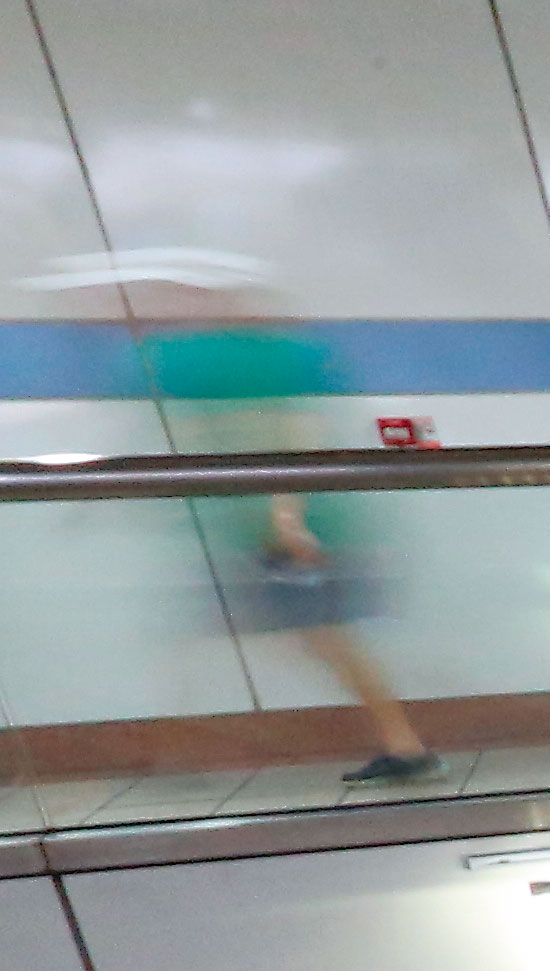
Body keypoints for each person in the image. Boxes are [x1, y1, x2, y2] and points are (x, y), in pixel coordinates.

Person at [71, 250, 439, 779]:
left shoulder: (178, 357)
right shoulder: (279, 352)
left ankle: (179, 756)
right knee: (313, 638)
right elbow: (294, 431)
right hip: (273, 526)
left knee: (308, 637)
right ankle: (401, 744)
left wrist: (286, 517)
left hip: (276, 530)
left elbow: (284, 436)